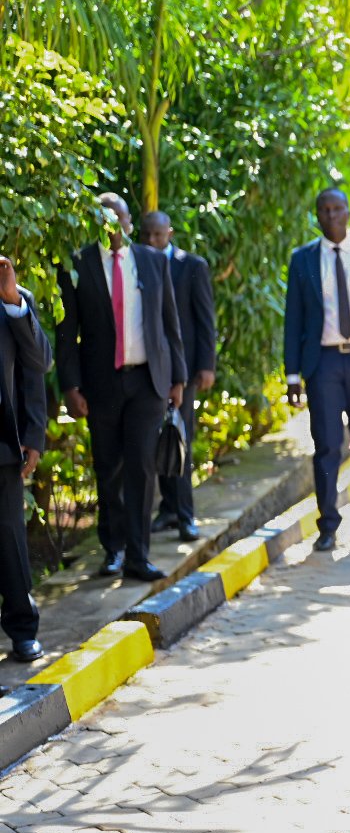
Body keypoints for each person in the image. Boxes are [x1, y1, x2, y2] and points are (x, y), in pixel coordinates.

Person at [57, 193, 187, 583]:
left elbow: (169, 322)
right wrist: (70, 386)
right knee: (108, 468)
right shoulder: (77, 265)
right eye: (105, 219)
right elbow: (68, 334)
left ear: (130, 223)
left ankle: (138, 555)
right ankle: (112, 550)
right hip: (101, 384)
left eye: (119, 219)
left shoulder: (149, 260)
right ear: (96, 224)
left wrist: (177, 377)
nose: (113, 226)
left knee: (142, 468)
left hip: (147, 380)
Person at [283, 188, 350, 551]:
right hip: (323, 364)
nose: (332, 216)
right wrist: (292, 375)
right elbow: (293, 318)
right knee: (327, 446)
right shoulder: (303, 260)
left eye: (338, 208)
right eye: (324, 210)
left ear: (348, 211)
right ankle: (328, 525)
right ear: (317, 215)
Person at [140, 211, 216, 543]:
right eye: (147, 236)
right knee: (159, 440)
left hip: (182, 371)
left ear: (169, 233)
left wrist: (206, 366)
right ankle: (168, 508)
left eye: (159, 235)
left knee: (180, 439)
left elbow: (204, 320)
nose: (153, 242)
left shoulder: (192, 266)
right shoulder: (137, 265)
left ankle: (186, 515)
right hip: (149, 369)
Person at [0, 254, 51, 663]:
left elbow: (38, 366)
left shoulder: (15, 300)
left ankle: (22, 630)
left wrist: (34, 435)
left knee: (11, 542)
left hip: (4, 447)